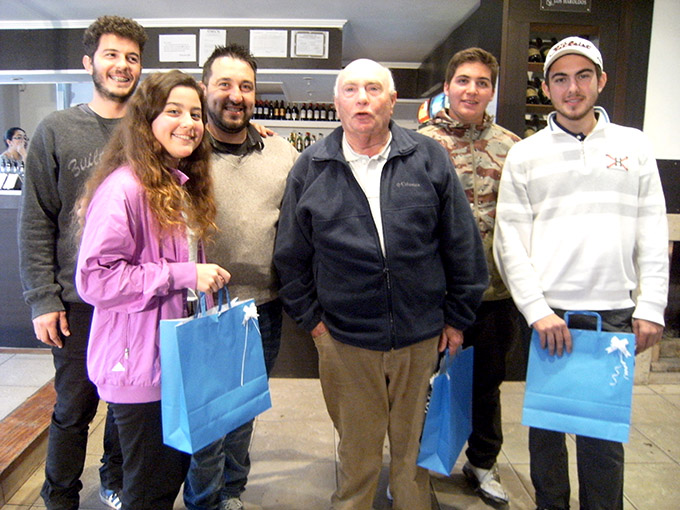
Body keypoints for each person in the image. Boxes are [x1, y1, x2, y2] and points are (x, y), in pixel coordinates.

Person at [273, 58, 488, 510]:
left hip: (420, 335)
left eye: (374, 89)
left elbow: (461, 245)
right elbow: (291, 259)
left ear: (392, 101)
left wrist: (456, 318)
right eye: (351, 90)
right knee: (357, 450)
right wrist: (316, 328)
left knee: (414, 454)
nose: (362, 99)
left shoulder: (427, 158)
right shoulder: (311, 167)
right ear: (337, 103)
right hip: (345, 340)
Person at [493, 37, 668, 510]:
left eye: (583, 76)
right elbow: (510, 240)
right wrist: (536, 311)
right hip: (552, 316)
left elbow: (652, 230)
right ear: (547, 87)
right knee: (546, 435)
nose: (573, 88)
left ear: (601, 81)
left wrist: (650, 306)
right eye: (561, 79)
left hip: (613, 314)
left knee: (602, 438)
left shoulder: (634, 146)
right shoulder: (525, 154)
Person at [75, 69, 231, 510]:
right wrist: (183, 275)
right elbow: (95, 279)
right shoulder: (124, 188)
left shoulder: (176, 185)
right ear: (146, 121)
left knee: (168, 478)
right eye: (174, 111)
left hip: (175, 360)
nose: (189, 122)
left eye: (196, 114)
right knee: (149, 489)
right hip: (139, 367)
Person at [17, 15, 146, 510]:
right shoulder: (56, 129)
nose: (122, 66)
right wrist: (41, 300)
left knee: (126, 405)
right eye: (112, 55)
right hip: (76, 302)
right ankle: (59, 495)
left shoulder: (149, 128)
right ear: (89, 62)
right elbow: (35, 222)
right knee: (74, 409)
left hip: (134, 299)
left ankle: (112, 480)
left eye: (132, 58)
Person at [183, 44, 298, 510]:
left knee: (244, 408)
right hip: (201, 306)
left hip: (262, 306)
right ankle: (203, 499)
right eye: (224, 84)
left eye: (245, 86)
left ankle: (232, 491)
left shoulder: (282, 153)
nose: (235, 95)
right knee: (208, 420)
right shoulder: (183, 147)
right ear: (204, 89)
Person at [418, 47, 522, 504]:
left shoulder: (513, 147)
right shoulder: (420, 145)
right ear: (447, 87)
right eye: (463, 80)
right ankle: (417, 466)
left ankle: (482, 463)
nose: (471, 89)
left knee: (487, 385)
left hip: (495, 294)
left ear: (492, 92)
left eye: (482, 83)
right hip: (435, 296)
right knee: (424, 385)